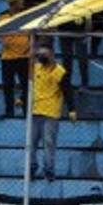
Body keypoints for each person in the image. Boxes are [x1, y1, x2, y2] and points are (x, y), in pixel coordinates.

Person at [30, 44, 74, 181]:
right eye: (40, 54)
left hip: (51, 112)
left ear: (52, 55)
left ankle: (49, 170)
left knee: (49, 143)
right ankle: (31, 168)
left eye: (45, 55)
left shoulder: (59, 71)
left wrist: (72, 109)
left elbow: (67, 91)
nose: (41, 57)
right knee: (31, 143)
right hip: (35, 111)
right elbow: (30, 86)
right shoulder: (36, 68)